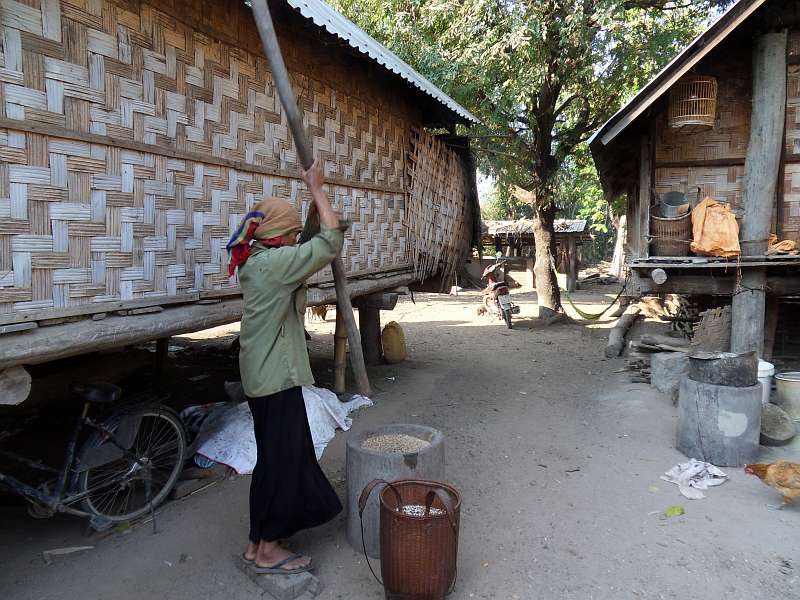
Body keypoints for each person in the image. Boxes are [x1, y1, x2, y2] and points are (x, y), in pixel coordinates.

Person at [226, 160, 343, 575]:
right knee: (285, 463)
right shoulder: (275, 267)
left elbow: (307, 244)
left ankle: (256, 543)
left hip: (261, 375)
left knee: (272, 460)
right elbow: (329, 243)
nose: (295, 240)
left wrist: (311, 210)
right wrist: (317, 190)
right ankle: (270, 547)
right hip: (275, 378)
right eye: (291, 235)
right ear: (277, 237)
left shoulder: (259, 260)